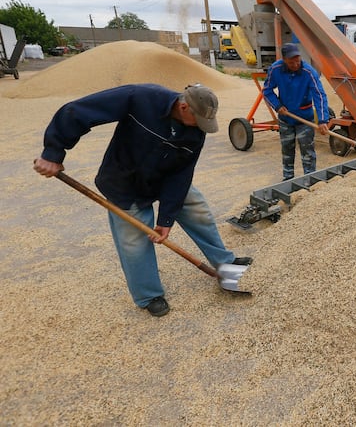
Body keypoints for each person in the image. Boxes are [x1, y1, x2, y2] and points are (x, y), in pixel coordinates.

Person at [33, 83, 252, 317]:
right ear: (184, 106)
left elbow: (181, 175)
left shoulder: (196, 131)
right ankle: (149, 295)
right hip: (124, 182)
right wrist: (53, 153)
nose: (200, 127)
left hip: (165, 178)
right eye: (198, 120)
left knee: (197, 210)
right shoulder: (141, 98)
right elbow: (78, 112)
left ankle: (224, 263)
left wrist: (166, 220)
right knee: (134, 242)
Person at [263, 42, 330, 180]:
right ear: (284, 60)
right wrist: (277, 106)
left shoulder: (309, 72)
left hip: (305, 119)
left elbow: (319, 95)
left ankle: (310, 179)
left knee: (307, 151)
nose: (295, 64)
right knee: (287, 149)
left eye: (297, 61)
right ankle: (288, 179)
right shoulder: (275, 69)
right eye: (291, 62)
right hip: (285, 118)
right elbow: (267, 90)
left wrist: (323, 120)